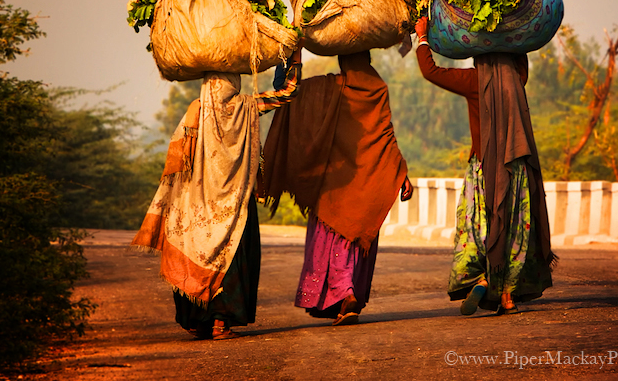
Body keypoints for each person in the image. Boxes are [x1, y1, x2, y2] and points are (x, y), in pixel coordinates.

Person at [131, 46, 303, 340]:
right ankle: (220, 323)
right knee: (234, 257)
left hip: (199, 204)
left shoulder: (196, 111)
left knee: (200, 253)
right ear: (233, 81)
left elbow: (177, 162)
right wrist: (293, 58)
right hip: (236, 204)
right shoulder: (247, 106)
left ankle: (199, 320)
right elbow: (287, 92)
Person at [414, 17, 555, 315]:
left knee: (479, 225)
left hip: (483, 169)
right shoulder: (518, 79)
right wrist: (510, 27)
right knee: (516, 230)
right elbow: (523, 50)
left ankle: (480, 276)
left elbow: (431, 71)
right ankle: (507, 295)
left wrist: (423, 36)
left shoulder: (473, 82)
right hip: (517, 168)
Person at [262, 50, 412, 326]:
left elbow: (286, 91)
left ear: (342, 59)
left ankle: (345, 293)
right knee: (355, 240)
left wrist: (290, 59)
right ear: (366, 58)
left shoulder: (329, 87)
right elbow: (385, 133)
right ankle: (348, 296)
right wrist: (401, 174)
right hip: (368, 182)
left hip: (334, 186)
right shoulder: (378, 87)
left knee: (336, 241)